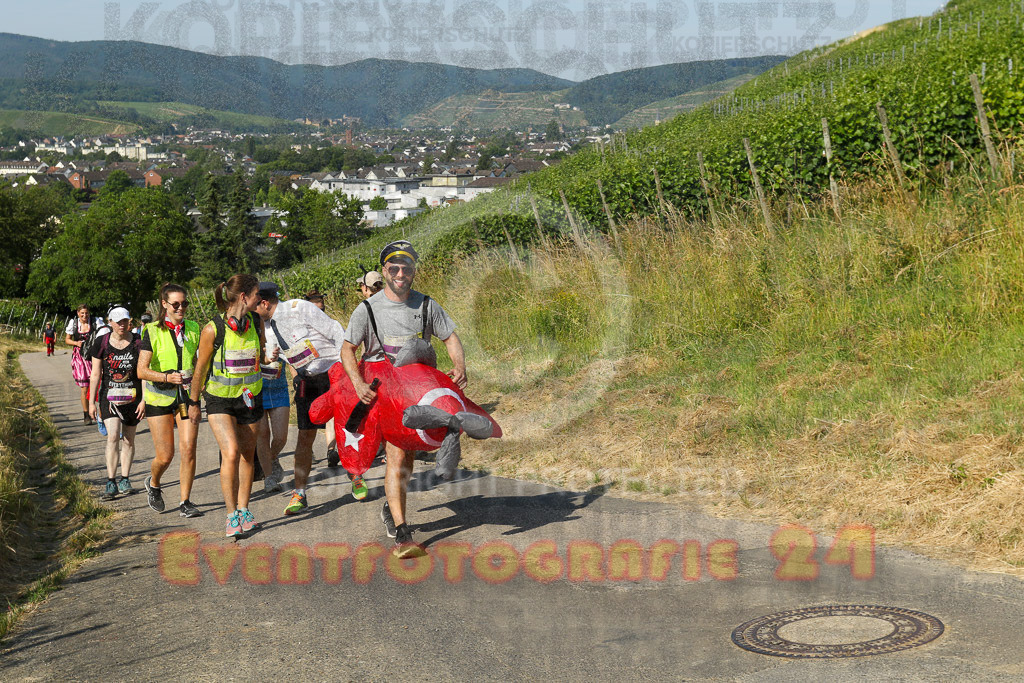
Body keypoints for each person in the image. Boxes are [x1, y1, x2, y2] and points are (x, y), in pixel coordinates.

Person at [341, 241, 467, 551]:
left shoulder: (427, 305)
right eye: (394, 268)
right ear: (384, 271)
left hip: (416, 394)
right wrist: (357, 383)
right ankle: (402, 531)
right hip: (386, 396)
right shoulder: (367, 308)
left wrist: (459, 365)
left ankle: (391, 506)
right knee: (396, 454)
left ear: (413, 271)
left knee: (408, 455)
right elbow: (347, 349)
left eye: (406, 268)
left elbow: (450, 337)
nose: (401, 273)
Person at [256, 280, 350, 512]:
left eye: (254, 306)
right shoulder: (264, 326)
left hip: (332, 372)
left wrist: (349, 370)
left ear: (265, 303)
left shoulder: (301, 308)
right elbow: (270, 357)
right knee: (304, 437)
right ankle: (300, 493)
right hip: (306, 380)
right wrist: (272, 356)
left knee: (346, 429)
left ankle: (356, 476)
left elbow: (336, 332)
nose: (251, 311)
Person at [189, 275, 267, 538]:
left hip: (250, 397)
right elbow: (200, 368)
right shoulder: (213, 329)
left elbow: (261, 353)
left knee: (248, 455)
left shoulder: (257, 321)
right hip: (220, 399)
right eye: (256, 294)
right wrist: (193, 402)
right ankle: (231, 515)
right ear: (244, 296)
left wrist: (269, 360)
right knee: (231, 452)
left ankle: (245, 509)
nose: (260, 299)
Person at [137, 284, 204, 518]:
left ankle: (185, 501)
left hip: (185, 398)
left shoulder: (195, 329)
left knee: (188, 449)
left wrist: (200, 382)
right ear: (164, 304)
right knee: (166, 456)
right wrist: (166, 377)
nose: (181, 308)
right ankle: (154, 482)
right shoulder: (152, 331)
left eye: (184, 303)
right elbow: (141, 371)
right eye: (176, 304)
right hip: (159, 398)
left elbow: (200, 363)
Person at [88, 307, 144, 500]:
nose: (122, 325)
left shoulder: (138, 342)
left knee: (129, 439)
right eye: (118, 321)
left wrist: (144, 400)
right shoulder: (101, 342)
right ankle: (111, 481)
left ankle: (125, 479)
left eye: (125, 321)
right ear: (109, 322)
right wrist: (91, 402)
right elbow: (95, 374)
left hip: (132, 398)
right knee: (112, 437)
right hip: (109, 398)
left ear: (130, 321)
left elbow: (143, 372)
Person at [257, 355, 289, 494]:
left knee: (281, 437)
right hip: (256, 389)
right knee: (262, 435)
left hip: (279, 388)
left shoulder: (280, 333)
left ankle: (272, 458)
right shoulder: (253, 333)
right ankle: (269, 477)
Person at [66, 304, 103, 424]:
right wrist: (77, 343)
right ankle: (86, 414)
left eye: (86, 313)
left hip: (93, 355)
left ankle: (101, 414)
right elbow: (67, 339)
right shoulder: (74, 323)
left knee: (99, 384)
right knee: (85, 387)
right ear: (78, 313)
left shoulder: (95, 322)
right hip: (80, 357)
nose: (84, 315)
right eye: (82, 313)